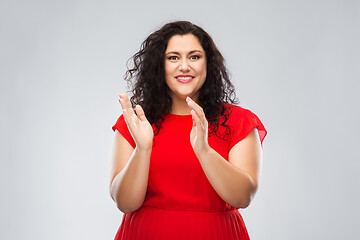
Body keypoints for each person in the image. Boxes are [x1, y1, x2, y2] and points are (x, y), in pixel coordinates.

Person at [109, 21, 267, 240]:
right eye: (173, 57)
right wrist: (143, 149)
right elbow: (125, 203)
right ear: (159, 65)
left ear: (208, 64)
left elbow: (242, 197)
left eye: (194, 57)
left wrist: (204, 151)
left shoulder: (238, 121)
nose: (184, 66)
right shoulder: (136, 121)